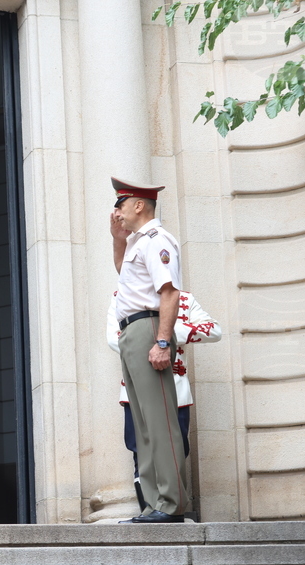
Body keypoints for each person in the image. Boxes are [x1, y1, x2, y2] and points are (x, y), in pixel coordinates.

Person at [110, 177, 187, 523]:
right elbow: (124, 277)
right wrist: (117, 239)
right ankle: (153, 503)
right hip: (131, 330)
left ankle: (170, 503)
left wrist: (162, 341)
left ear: (139, 204)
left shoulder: (157, 240)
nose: (117, 211)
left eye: (121, 203)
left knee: (160, 421)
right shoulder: (136, 243)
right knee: (143, 423)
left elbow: (169, 292)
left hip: (148, 328)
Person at [107, 290, 221, 511]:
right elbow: (114, 337)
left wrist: (166, 331)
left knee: (177, 451)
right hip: (138, 389)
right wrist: (154, 333)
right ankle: (148, 512)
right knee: (141, 452)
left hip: (176, 391)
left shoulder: (184, 298)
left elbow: (214, 330)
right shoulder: (124, 296)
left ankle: (172, 509)